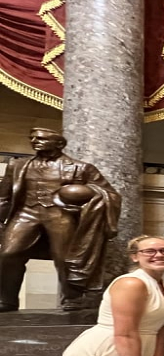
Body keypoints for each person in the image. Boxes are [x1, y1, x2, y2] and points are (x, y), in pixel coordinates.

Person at [0, 127, 121, 311]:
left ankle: (72, 298)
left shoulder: (81, 168)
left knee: (65, 257)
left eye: (41, 138)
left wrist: (88, 194)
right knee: (8, 253)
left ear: (59, 144)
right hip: (25, 213)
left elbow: (110, 193)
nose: (35, 141)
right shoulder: (17, 165)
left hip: (60, 214)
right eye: (32, 138)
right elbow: (4, 196)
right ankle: (6, 299)